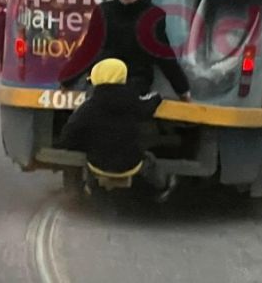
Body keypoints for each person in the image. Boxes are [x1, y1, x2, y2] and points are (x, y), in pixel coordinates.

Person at [54, 58, 177, 202]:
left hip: (97, 163)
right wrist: (158, 97)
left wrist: (75, 145)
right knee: (149, 161)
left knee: (88, 156)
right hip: (131, 163)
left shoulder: (88, 106)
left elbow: (69, 134)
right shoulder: (132, 100)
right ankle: (163, 187)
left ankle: (89, 185)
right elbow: (148, 107)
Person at [59, 0, 192, 101]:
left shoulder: (152, 16)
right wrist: (67, 80)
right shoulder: (104, 12)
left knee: (124, 101)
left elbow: (164, 57)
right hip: (104, 77)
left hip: (135, 79)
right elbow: (88, 50)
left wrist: (182, 90)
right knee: (95, 100)